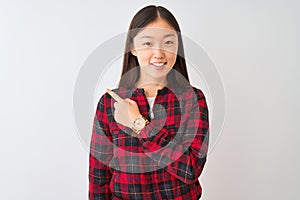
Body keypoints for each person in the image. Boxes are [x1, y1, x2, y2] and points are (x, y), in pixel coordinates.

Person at [89, 5, 209, 200]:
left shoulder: (193, 100)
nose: (159, 53)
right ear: (132, 48)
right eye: (147, 43)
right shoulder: (110, 104)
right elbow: (98, 176)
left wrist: (139, 124)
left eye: (168, 42)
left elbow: (190, 170)